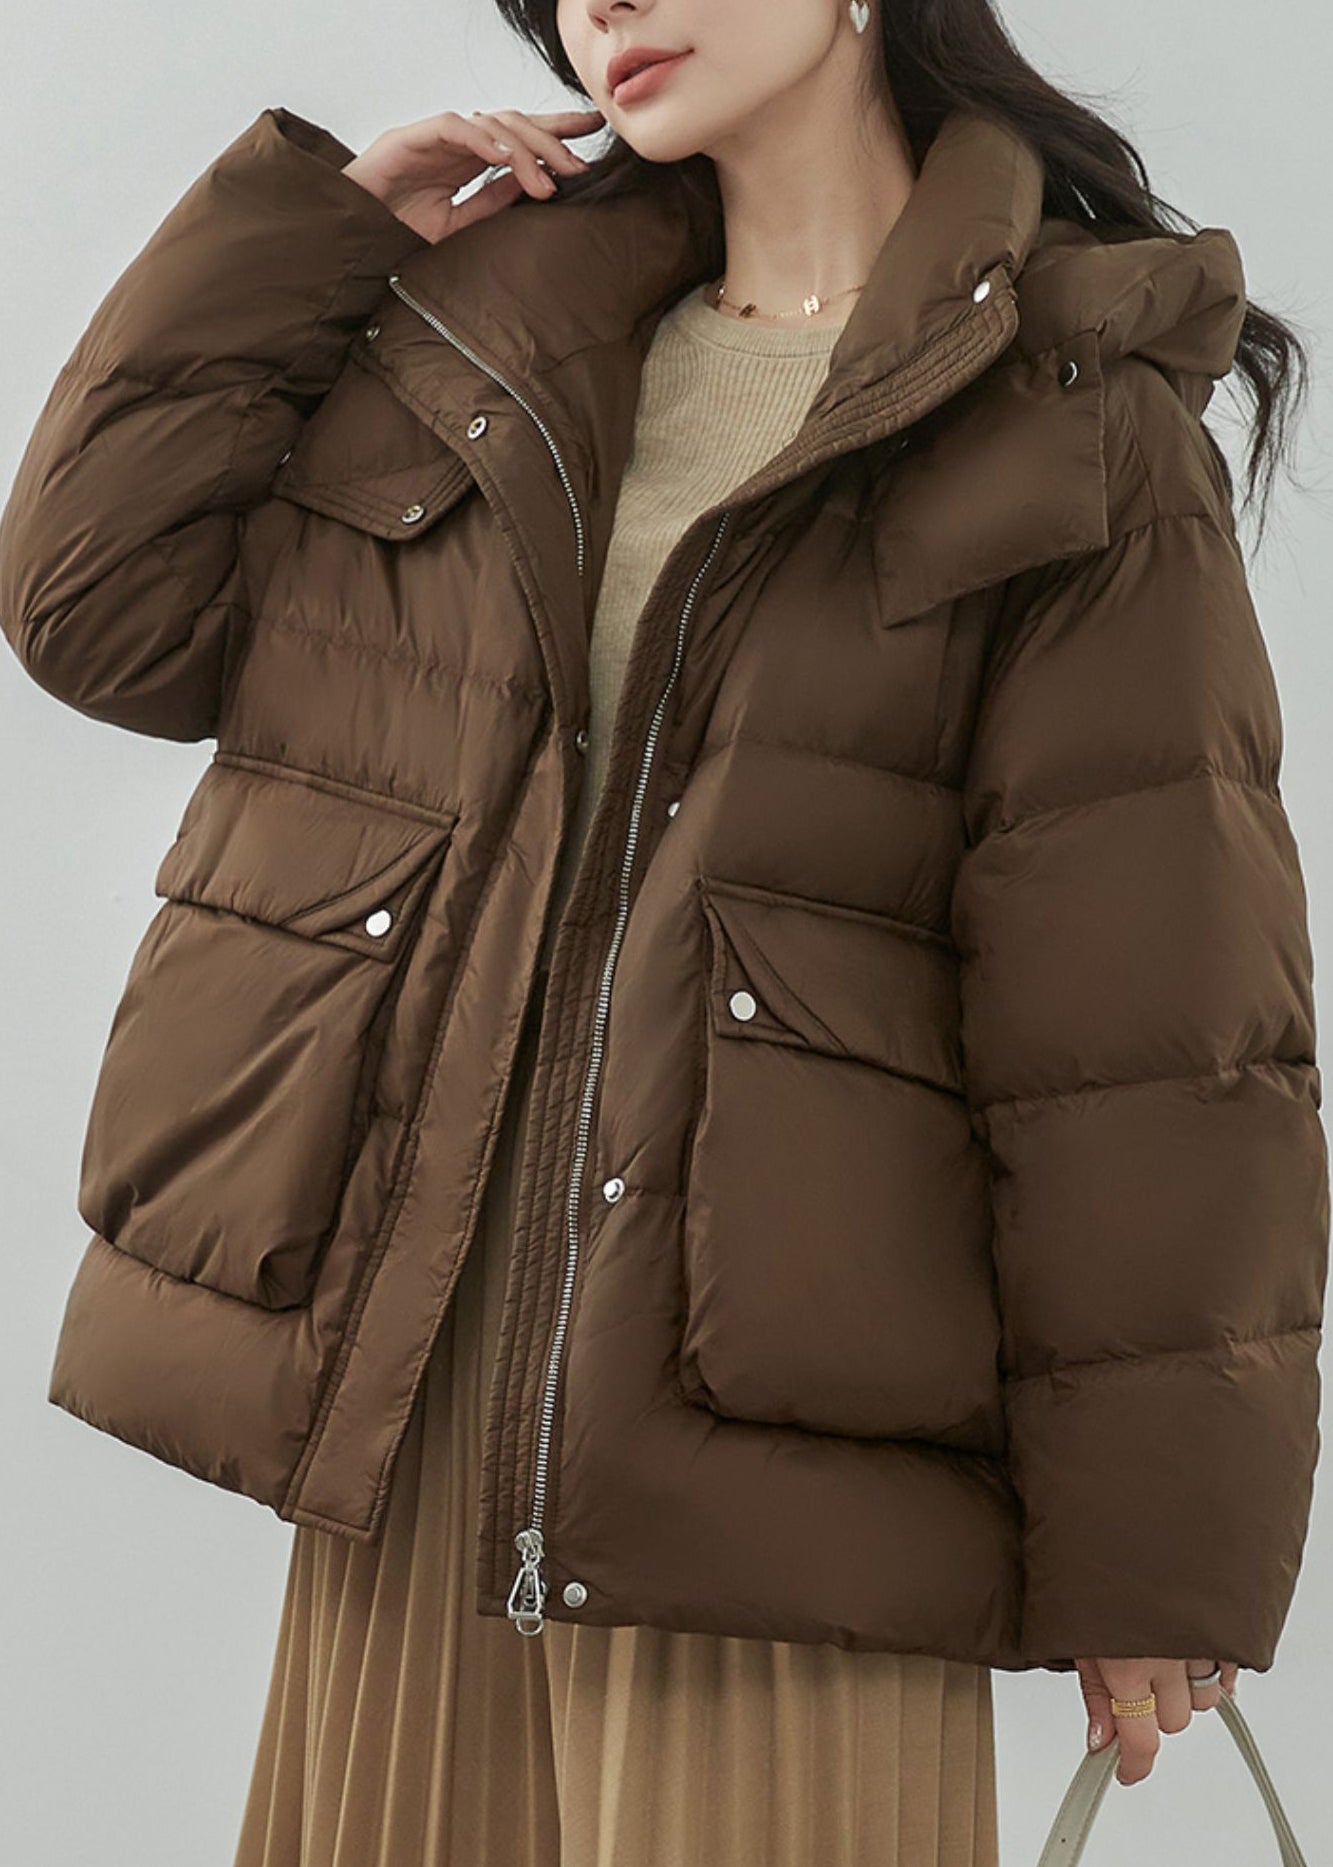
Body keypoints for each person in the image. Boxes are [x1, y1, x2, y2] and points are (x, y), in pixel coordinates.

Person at [1, 0, 1325, 1861]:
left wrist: (1156, 1551)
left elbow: (1150, 1029)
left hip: (779, 1465)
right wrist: (321, 236)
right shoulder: (484, 346)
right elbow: (98, 609)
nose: (601, 6)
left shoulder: (1063, 426)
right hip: (413, 1406)